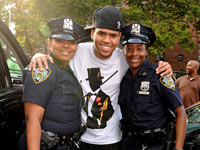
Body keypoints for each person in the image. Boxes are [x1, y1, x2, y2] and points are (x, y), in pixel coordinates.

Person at [28, 6, 174, 150]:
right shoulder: (77, 52)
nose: (106, 40)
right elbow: (58, 54)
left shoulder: (124, 58)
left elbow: (146, 67)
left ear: (119, 37)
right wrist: (39, 56)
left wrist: (164, 67)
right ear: (93, 33)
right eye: (102, 33)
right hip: (79, 139)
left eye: (112, 35)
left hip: (113, 140)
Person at [118, 23, 187, 150]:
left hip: (155, 145)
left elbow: (181, 113)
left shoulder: (160, 75)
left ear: (146, 51)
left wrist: (178, 149)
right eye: (129, 48)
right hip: (128, 144)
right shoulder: (121, 77)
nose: (134, 53)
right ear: (123, 51)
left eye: (139, 48)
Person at [22, 17, 85, 150]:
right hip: (47, 145)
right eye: (59, 40)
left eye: (71, 42)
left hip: (66, 144)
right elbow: (32, 120)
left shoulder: (67, 70)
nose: (66, 46)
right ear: (49, 42)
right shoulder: (43, 69)